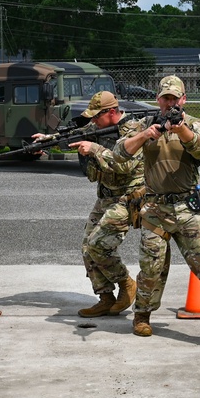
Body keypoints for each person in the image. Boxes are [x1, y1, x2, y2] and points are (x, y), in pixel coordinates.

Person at [112, 75, 200, 349]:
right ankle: (142, 316)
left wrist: (180, 129)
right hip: (155, 208)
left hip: (189, 207)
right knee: (151, 267)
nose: (170, 102)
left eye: (175, 98)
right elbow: (120, 153)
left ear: (183, 99)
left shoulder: (194, 124)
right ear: (158, 99)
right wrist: (146, 135)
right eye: (166, 98)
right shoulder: (145, 125)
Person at [66, 91, 141, 317]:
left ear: (111, 112)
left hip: (128, 197)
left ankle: (127, 283)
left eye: (96, 116)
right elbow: (74, 136)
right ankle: (105, 297)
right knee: (87, 246)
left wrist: (94, 148)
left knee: (98, 244)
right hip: (106, 196)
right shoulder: (99, 127)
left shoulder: (134, 130)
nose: (93, 121)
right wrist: (45, 140)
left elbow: (123, 164)